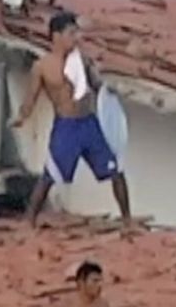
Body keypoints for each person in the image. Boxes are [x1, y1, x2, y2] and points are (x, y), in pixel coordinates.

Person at [12, 12, 132, 231]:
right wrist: (21, 118)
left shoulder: (82, 61)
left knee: (116, 169)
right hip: (66, 127)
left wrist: (108, 89)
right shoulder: (42, 67)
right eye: (71, 33)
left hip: (89, 123)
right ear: (56, 36)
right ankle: (29, 220)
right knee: (50, 175)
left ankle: (127, 220)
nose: (75, 38)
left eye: (76, 32)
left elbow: (98, 86)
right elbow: (31, 99)